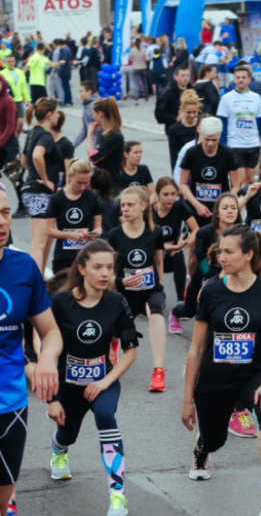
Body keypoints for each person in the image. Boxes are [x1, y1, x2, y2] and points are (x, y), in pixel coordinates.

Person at [181, 224, 261, 515]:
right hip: (215, 375)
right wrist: (186, 399)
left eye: (228, 252)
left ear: (249, 255)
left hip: (253, 374)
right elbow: (197, 349)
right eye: (220, 251)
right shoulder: (212, 290)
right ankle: (202, 449)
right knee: (215, 439)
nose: (221, 257)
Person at [43, 239, 138, 516]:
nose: (105, 273)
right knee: (67, 434)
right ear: (82, 269)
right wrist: (52, 396)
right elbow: (44, 344)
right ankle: (58, 450)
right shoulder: (61, 302)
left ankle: (117, 495)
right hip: (68, 385)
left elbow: (131, 351)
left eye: (109, 267)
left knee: (105, 416)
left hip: (103, 381)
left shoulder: (117, 302)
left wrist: (105, 381)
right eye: (98, 267)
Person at [0, 189, 64, 515]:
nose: (1, 221)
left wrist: (47, 360)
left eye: (6, 212)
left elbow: (50, 330)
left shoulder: (23, 267)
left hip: (10, 404)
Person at [106, 186, 169, 392]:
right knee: (117, 330)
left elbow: (158, 260)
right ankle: (114, 344)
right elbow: (109, 271)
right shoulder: (115, 235)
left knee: (156, 312)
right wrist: (121, 282)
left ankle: (158, 371)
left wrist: (157, 285)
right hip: (124, 291)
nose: (125, 209)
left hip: (150, 290)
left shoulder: (155, 232)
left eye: (130, 205)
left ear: (143, 206)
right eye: (123, 205)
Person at [170, 193, 241, 332]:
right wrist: (227, 274)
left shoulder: (243, 234)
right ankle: (175, 313)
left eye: (234, 207)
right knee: (189, 311)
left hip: (234, 278)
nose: (230, 211)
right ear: (217, 213)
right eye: (225, 208)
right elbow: (203, 267)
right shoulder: (204, 233)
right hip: (205, 278)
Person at [22, 97, 65, 271]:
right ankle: (36, 284)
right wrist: (46, 179)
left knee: (42, 240)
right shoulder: (46, 136)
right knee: (39, 243)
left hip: (32, 189)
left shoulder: (33, 132)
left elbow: (24, 161)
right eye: (55, 112)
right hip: (39, 191)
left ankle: (37, 280)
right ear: (49, 115)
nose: (58, 115)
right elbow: (36, 156)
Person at [178, 117, 239, 227]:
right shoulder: (192, 153)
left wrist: (225, 205)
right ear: (200, 134)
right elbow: (182, 184)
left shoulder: (228, 154)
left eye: (214, 140)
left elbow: (235, 186)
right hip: (196, 208)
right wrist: (197, 205)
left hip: (220, 211)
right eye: (207, 139)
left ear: (219, 135)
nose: (210, 143)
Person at [153, 177, 198, 324]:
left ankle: (181, 301)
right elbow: (149, 243)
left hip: (171, 256)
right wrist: (175, 247)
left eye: (173, 194)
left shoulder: (179, 207)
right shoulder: (150, 211)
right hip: (153, 257)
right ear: (158, 194)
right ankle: (155, 295)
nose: (170, 198)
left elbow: (196, 229)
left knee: (178, 257)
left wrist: (184, 244)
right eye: (166, 194)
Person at [45, 160, 103, 274]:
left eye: (86, 183)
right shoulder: (56, 199)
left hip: (87, 255)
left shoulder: (93, 198)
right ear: (70, 176)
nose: (82, 187)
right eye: (79, 183)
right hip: (64, 256)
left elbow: (98, 227)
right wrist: (71, 235)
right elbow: (49, 230)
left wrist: (93, 234)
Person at [218, 66, 261, 182]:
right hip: (235, 145)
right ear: (234, 80)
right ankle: (235, 200)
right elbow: (223, 124)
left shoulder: (256, 98)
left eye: (243, 77)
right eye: (238, 77)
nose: (240, 80)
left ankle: (248, 200)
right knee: (239, 180)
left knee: (251, 179)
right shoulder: (226, 98)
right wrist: (223, 145)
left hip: (253, 145)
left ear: (249, 80)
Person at [87, 97, 126, 186]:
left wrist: (89, 135)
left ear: (100, 114)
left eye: (93, 114)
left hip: (110, 184)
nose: (93, 117)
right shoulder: (102, 132)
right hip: (100, 182)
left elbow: (93, 158)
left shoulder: (114, 136)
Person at [154, 66, 193, 136]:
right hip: (175, 131)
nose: (186, 78)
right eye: (183, 75)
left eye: (187, 75)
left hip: (192, 129)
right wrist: (176, 118)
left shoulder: (193, 90)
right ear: (176, 77)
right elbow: (159, 114)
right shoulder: (167, 92)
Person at [167, 90, 201, 170]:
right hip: (184, 168)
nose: (192, 115)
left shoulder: (202, 126)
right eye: (188, 112)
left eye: (194, 112)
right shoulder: (174, 129)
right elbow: (173, 156)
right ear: (182, 110)